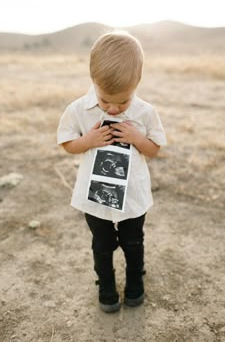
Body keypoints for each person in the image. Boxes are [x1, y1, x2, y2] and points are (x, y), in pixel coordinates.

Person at [57, 31, 167, 313]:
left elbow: (154, 149)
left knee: (133, 242)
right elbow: (67, 142)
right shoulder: (78, 109)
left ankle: (134, 285)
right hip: (95, 199)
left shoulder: (145, 112)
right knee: (102, 245)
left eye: (123, 101)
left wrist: (137, 138)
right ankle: (106, 288)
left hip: (133, 196)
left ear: (136, 84)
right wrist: (87, 141)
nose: (114, 108)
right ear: (93, 80)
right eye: (106, 101)